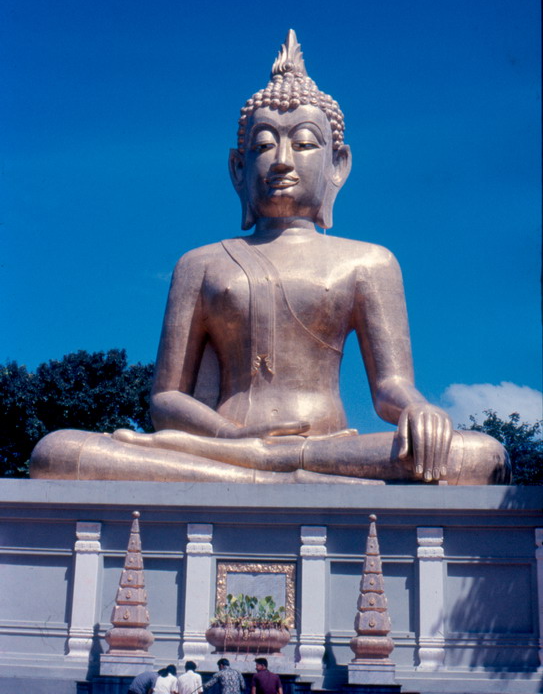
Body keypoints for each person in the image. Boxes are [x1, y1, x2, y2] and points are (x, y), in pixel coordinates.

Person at [29, 30, 510, 486]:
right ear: (239, 169)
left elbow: (390, 387)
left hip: (325, 447)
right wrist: (233, 436)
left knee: (480, 457)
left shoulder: (369, 262)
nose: (281, 159)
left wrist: (418, 410)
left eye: (303, 143)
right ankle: (263, 468)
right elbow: (166, 398)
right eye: (263, 145)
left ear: (337, 164)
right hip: (223, 443)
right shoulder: (200, 264)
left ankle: (274, 468)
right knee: (57, 452)